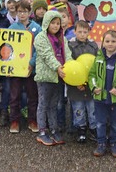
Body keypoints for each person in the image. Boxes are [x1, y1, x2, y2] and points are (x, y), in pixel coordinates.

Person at [88, 30, 116, 157]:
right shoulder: (98, 57)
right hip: (100, 98)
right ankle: (101, 143)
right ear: (102, 43)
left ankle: (115, 143)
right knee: (100, 122)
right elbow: (92, 75)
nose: (110, 44)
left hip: (115, 98)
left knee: (115, 123)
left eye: (113, 41)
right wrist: (94, 87)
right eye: (107, 41)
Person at [34, 11, 72, 146]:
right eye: (53, 23)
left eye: (58, 23)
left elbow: (67, 53)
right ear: (46, 23)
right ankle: (42, 131)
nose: (56, 26)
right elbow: (47, 55)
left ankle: (54, 129)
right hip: (46, 77)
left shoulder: (63, 38)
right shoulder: (40, 38)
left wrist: (70, 67)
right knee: (43, 104)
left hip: (59, 77)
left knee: (53, 105)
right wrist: (58, 67)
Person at [7, 0, 42, 133]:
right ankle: (14, 121)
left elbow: (39, 48)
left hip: (30, 69)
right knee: (14, 95)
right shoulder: (12, 28)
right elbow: (7, 48)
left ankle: (32, 120)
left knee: (32, 95)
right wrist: (9, 65)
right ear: (16, 12)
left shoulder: (36, 28)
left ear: (29, 13)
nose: (22, 14)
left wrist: (32, 63)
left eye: (25, 11)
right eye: (20, 11)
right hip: (16, 69)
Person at [66, 21, 99, 142]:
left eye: (85, 32)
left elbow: (96, 64)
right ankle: (81, 128)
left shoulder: (93, 46)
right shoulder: (70, 45)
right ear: (74, 31)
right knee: (78, 108)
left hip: (91, 83)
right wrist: (77, 82)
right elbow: (69, 64)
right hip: (76, 84)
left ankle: (94, 128)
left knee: (92, 108)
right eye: (79, 31)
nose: (82, 34)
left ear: (89, 33)